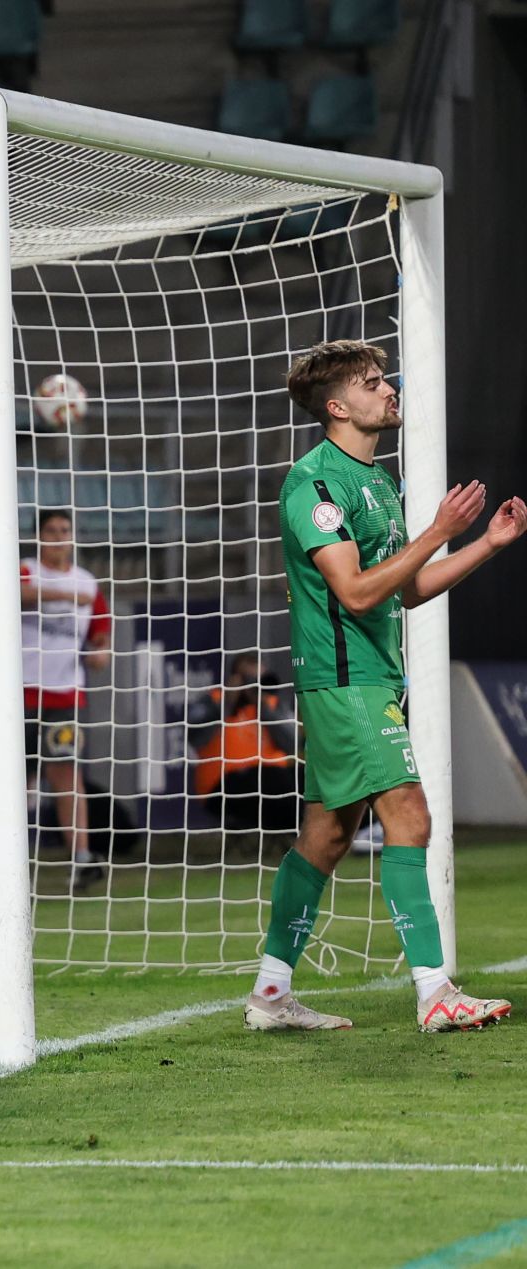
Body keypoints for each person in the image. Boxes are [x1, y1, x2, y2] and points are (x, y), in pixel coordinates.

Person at [246, 338, 524, 1033]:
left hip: (370, 678)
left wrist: (482, 543)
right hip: (345, 682)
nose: (389, 388)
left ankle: (271, 994)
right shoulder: (313, 484)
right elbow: (358, 594)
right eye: (374, 382)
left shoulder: (377, 481)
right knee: (411, 818)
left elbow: (405, 590)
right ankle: (436, 994)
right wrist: (437, 529)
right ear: (339, 406)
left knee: (328, 837)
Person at [19, 507, 111, 870]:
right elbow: (16, 594)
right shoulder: (26, 569)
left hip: (65, 694)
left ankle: (82, 857)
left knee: (67, 775)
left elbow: (100, 637)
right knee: (16, 777)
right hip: (19, 693)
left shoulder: (88, 583)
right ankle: (5, 860)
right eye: (52, 531)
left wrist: (100, 655)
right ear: (40, 537)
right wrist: (66, 596)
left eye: (65, 530)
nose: (60, 537)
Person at [188, 652, 299, 834]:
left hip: (275, 779)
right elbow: (196, 739)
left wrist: (263, 708)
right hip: (224, 786)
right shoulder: (214, 700)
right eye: (250, 679)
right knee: (271, 780)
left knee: (309, 779)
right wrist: (227, 704)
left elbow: (292, 745)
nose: (255, 684)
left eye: (260, 678)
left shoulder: (272, 703)